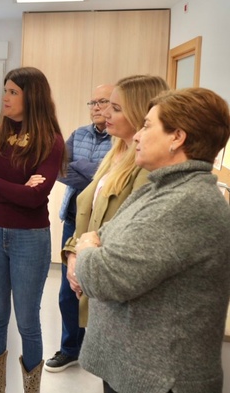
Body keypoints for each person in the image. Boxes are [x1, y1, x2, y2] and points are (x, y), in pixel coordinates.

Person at [75, 87, 230, 393]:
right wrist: (93, 244)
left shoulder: (185, 203)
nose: (136, 136)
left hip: (159, 380)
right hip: (136, 372)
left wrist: (85, 249)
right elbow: (104, 235)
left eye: (146, 126)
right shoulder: (161, 189)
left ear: (177, 138)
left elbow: (105, 277)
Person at [0, 66, 66, 393]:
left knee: (27, 321)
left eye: (13, 92)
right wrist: (17, 189)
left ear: (30, 97)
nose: (5, 97)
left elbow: (36, 196)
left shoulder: (50, 141)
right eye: (5, 91)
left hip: (31, 239)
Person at [62, 75, 169, 328]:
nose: (104, 112)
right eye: (101, 104)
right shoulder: (116, 151)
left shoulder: (145, 166)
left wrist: (83, 254)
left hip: (109, 275)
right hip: (92, 266)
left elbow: (128, 233)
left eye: (115, 107)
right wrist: (73, 254)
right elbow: (63, 170)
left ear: (141, 113)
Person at [45, 84, 114, 373]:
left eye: (103, 102)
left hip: (106, 223)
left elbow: (114, 180)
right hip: (75, 219)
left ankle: (100, 351)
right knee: (67, 290)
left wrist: (84, 168)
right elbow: (61, 170)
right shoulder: (79, 134)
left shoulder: (122, 138)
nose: (96, 107)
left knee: (99, 291)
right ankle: (71, 348)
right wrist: (95, 172)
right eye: (93, 102)